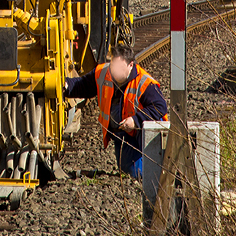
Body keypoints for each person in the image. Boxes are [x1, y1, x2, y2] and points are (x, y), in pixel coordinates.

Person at [65, 41, 167, 180]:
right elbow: (82, 86)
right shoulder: (102, 73)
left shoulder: (144, 82)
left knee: (143, 174)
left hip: (143, 132)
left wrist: (135, 120)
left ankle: (159, 172)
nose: (114, 71)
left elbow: (160, 107)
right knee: (130, 172)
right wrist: (64, 85)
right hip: (123, 133)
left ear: (131, 65)